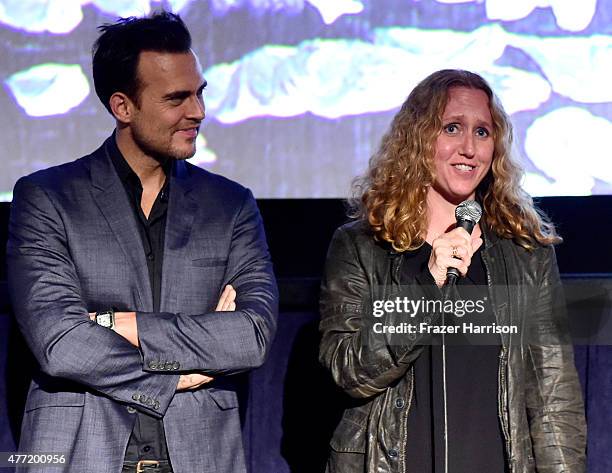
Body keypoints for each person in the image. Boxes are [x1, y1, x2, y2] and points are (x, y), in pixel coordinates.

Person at [7, 11, 278, 473]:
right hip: (79, 452)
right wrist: (177, 375)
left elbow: (251, 336)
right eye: (177, 98)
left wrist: (115, 322)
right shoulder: (46, 198)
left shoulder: (231, 205)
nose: (198, 112)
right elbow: (61, 343)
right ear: (122, 107)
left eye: (199, 93)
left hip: (199, 454)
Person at [319, 69, 586, 473]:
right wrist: (427, 286)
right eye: (452, 128)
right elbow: (349, 371)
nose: (469, 148)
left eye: (482, 132)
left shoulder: (525, 252)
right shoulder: (362, 246)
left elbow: (553, 396)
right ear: (419, 139)